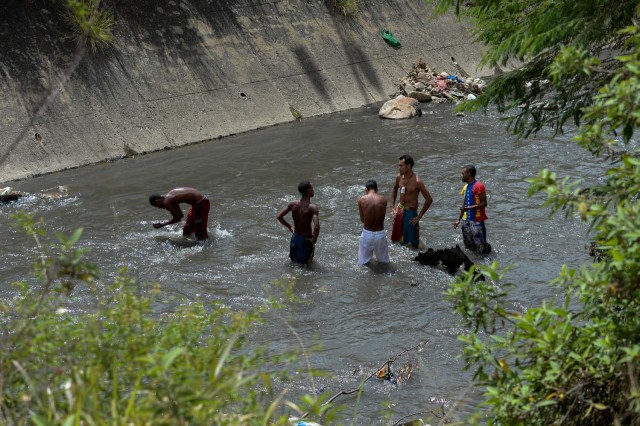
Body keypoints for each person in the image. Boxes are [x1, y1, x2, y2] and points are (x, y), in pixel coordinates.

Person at [390, 154, 433, 248]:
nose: (399, 168)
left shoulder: (417, 181)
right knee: (395, 240)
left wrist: (419, 216)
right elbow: (394, 190)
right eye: (398, 165)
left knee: (412, 243)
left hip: (411, 213)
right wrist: (392, 207)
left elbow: (429, 199)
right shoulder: (399, 177)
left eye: (401, 165)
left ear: (408, 166)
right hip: (400, 210)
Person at [276, 181, 320, 264]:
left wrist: (289, 226)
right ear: (308, 191)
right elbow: (316, 227)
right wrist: (314, 240)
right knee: (307, 265)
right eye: (312, 188)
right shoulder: (312, 208)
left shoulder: (292, 204)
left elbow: (279, 217)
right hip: (306, 240)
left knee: (294, 263)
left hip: (295, 238)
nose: (313, 189)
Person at [453, 165, 491, 253]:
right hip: (465, 221)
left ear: (469, 174)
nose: (461, 175)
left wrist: (470, 208)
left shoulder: (479, 186)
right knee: (468, 246)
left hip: (477, 221)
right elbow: (464, 204)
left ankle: (483, 264)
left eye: (462, 173)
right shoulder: (466, 187)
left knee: (481, 247)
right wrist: (458, 220)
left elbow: (484, 203)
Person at [357, 179, 390, 265]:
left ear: (366, 190)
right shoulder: (384, 200)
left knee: (363, 263)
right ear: (377, 189)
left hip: (367, 234)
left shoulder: (361, 200)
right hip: (380, 234)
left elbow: (362, 220)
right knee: (384, 263)